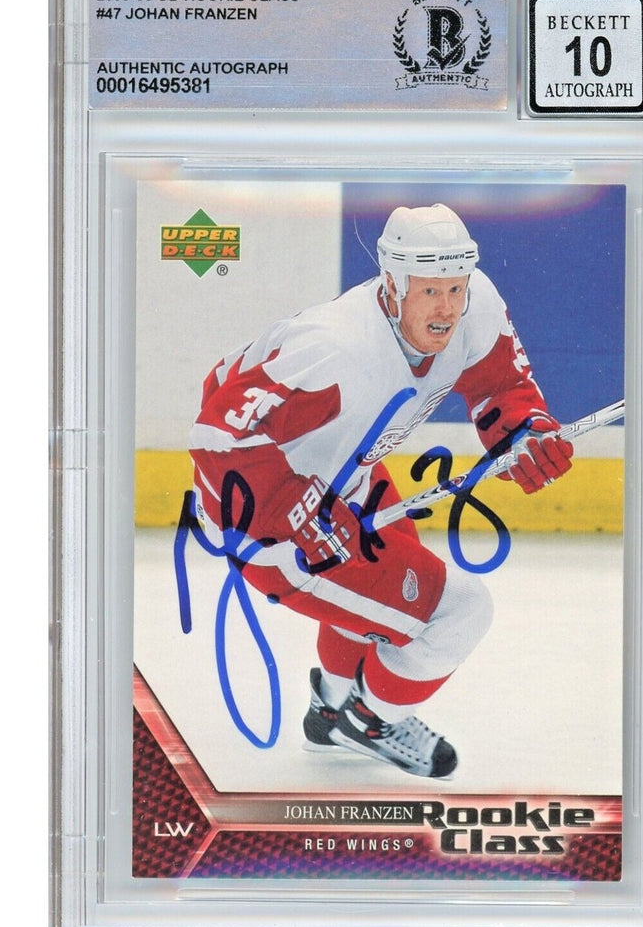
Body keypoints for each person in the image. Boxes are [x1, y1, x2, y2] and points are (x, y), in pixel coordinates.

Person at [188, 204, 573, 779]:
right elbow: (218, 432)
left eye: (455, 288)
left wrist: (524, 433)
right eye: (430, 291)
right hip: (257, 518)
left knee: (379, 593)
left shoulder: (477, 308)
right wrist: (290, 507)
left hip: (346, 477)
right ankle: (369, 721)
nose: (447, 307)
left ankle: (329, 710)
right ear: (392, 285)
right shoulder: (339, 348)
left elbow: (501, 384)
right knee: (460, 611)